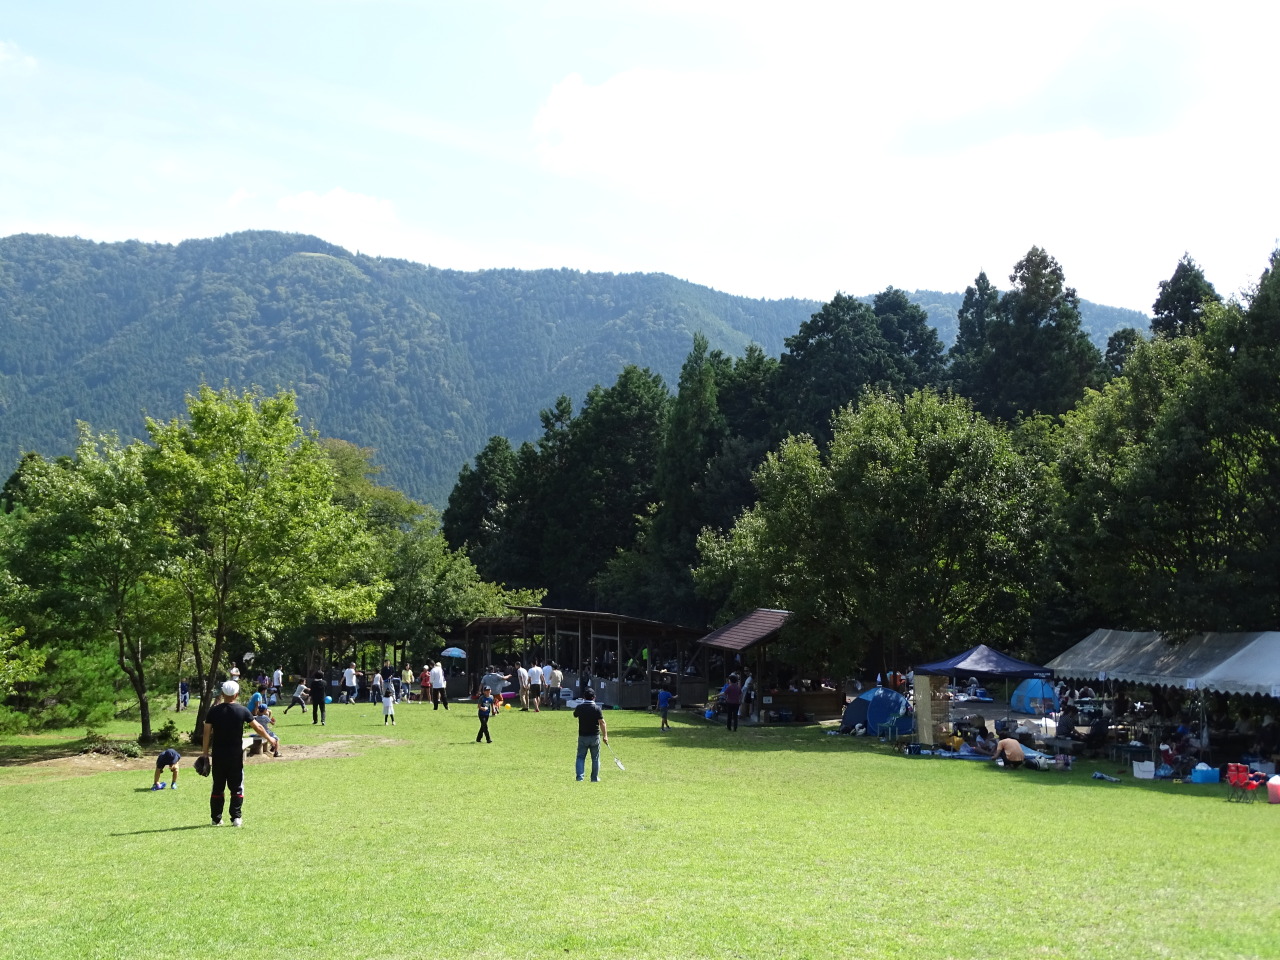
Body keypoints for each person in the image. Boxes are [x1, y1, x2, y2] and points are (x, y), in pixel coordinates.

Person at [201, 680, 274, 827]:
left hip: (218, 756)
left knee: (218, 786)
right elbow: (258, 727)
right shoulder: (242, 710)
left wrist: (205, 754)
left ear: (222, 694)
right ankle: (236, 818)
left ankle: (216, 819)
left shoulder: (213, 711)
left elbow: (206, 733)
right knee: (237, 786)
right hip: (235, 756)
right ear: (236, 694)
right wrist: (270, 738)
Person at [573, 688, 609, 782]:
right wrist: (605, 735)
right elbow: (602, 722)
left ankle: (580, 777)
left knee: (580, 757)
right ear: (594, 697)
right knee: (595, 758)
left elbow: (575, 715)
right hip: (594, 736)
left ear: (584, 697)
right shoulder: (597, 708)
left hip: (583, 736)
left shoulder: (580, 707)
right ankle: (594, 778)